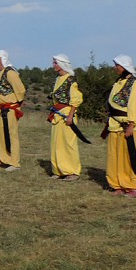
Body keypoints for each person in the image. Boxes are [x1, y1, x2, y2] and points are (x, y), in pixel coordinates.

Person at [103, 54, 136, 197]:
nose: (115, 68)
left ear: (125, 67)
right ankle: (117, 185)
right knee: (114, 157)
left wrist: (131, 124)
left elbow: (135, 105)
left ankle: (133, 187)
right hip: (114, 125)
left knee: (129, 156)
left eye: (118, 65)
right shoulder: (118, 82)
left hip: (127, 125)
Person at [49, 53, 84, 181]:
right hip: (57, 114)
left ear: (62, 64)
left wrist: (70, 116)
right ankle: (59, 170)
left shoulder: (70, 80)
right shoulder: (58, 79)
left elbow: (76, 99)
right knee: (57, 143)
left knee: (68, 143)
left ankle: (72, 171)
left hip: (66, 113)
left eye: (55, 63)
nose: (53, 65)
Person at [0, 49, 27, 171]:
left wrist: (16, 104)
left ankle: (14, 162)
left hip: (8, 110)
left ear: (2, 58)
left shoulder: (10, 73)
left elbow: (20, 90)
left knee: (10, 135)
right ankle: (0, 160)